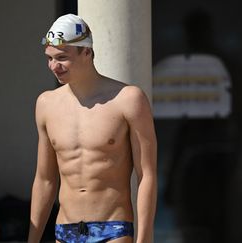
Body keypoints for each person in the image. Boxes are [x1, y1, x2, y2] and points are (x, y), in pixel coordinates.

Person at [27, 14, 157, 243]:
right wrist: (32, 239)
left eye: (62, 58)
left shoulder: (128, 99)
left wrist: (144, 239)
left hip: (113, 229)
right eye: (49, 58)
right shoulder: (46, 104)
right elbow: (45, 179)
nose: (53, 66)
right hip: (65, 230)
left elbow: (146, 174)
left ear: (86, 52)